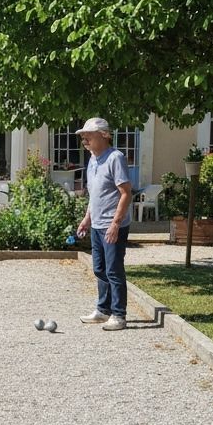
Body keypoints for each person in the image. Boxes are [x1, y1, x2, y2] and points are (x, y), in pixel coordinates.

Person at [75, 117, 133, 331]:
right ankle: (103, 310)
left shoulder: (115, 158)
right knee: (99, 268)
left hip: (112, 224)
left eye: (88, 135)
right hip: (97, 223)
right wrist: (86, 219)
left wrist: (115, 224)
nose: (84, 139)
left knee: (114, 270)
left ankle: (119, 315)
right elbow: (95, 195)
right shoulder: (92, 159)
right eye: (83, 136)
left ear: (104, 135)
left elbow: (126, 192)